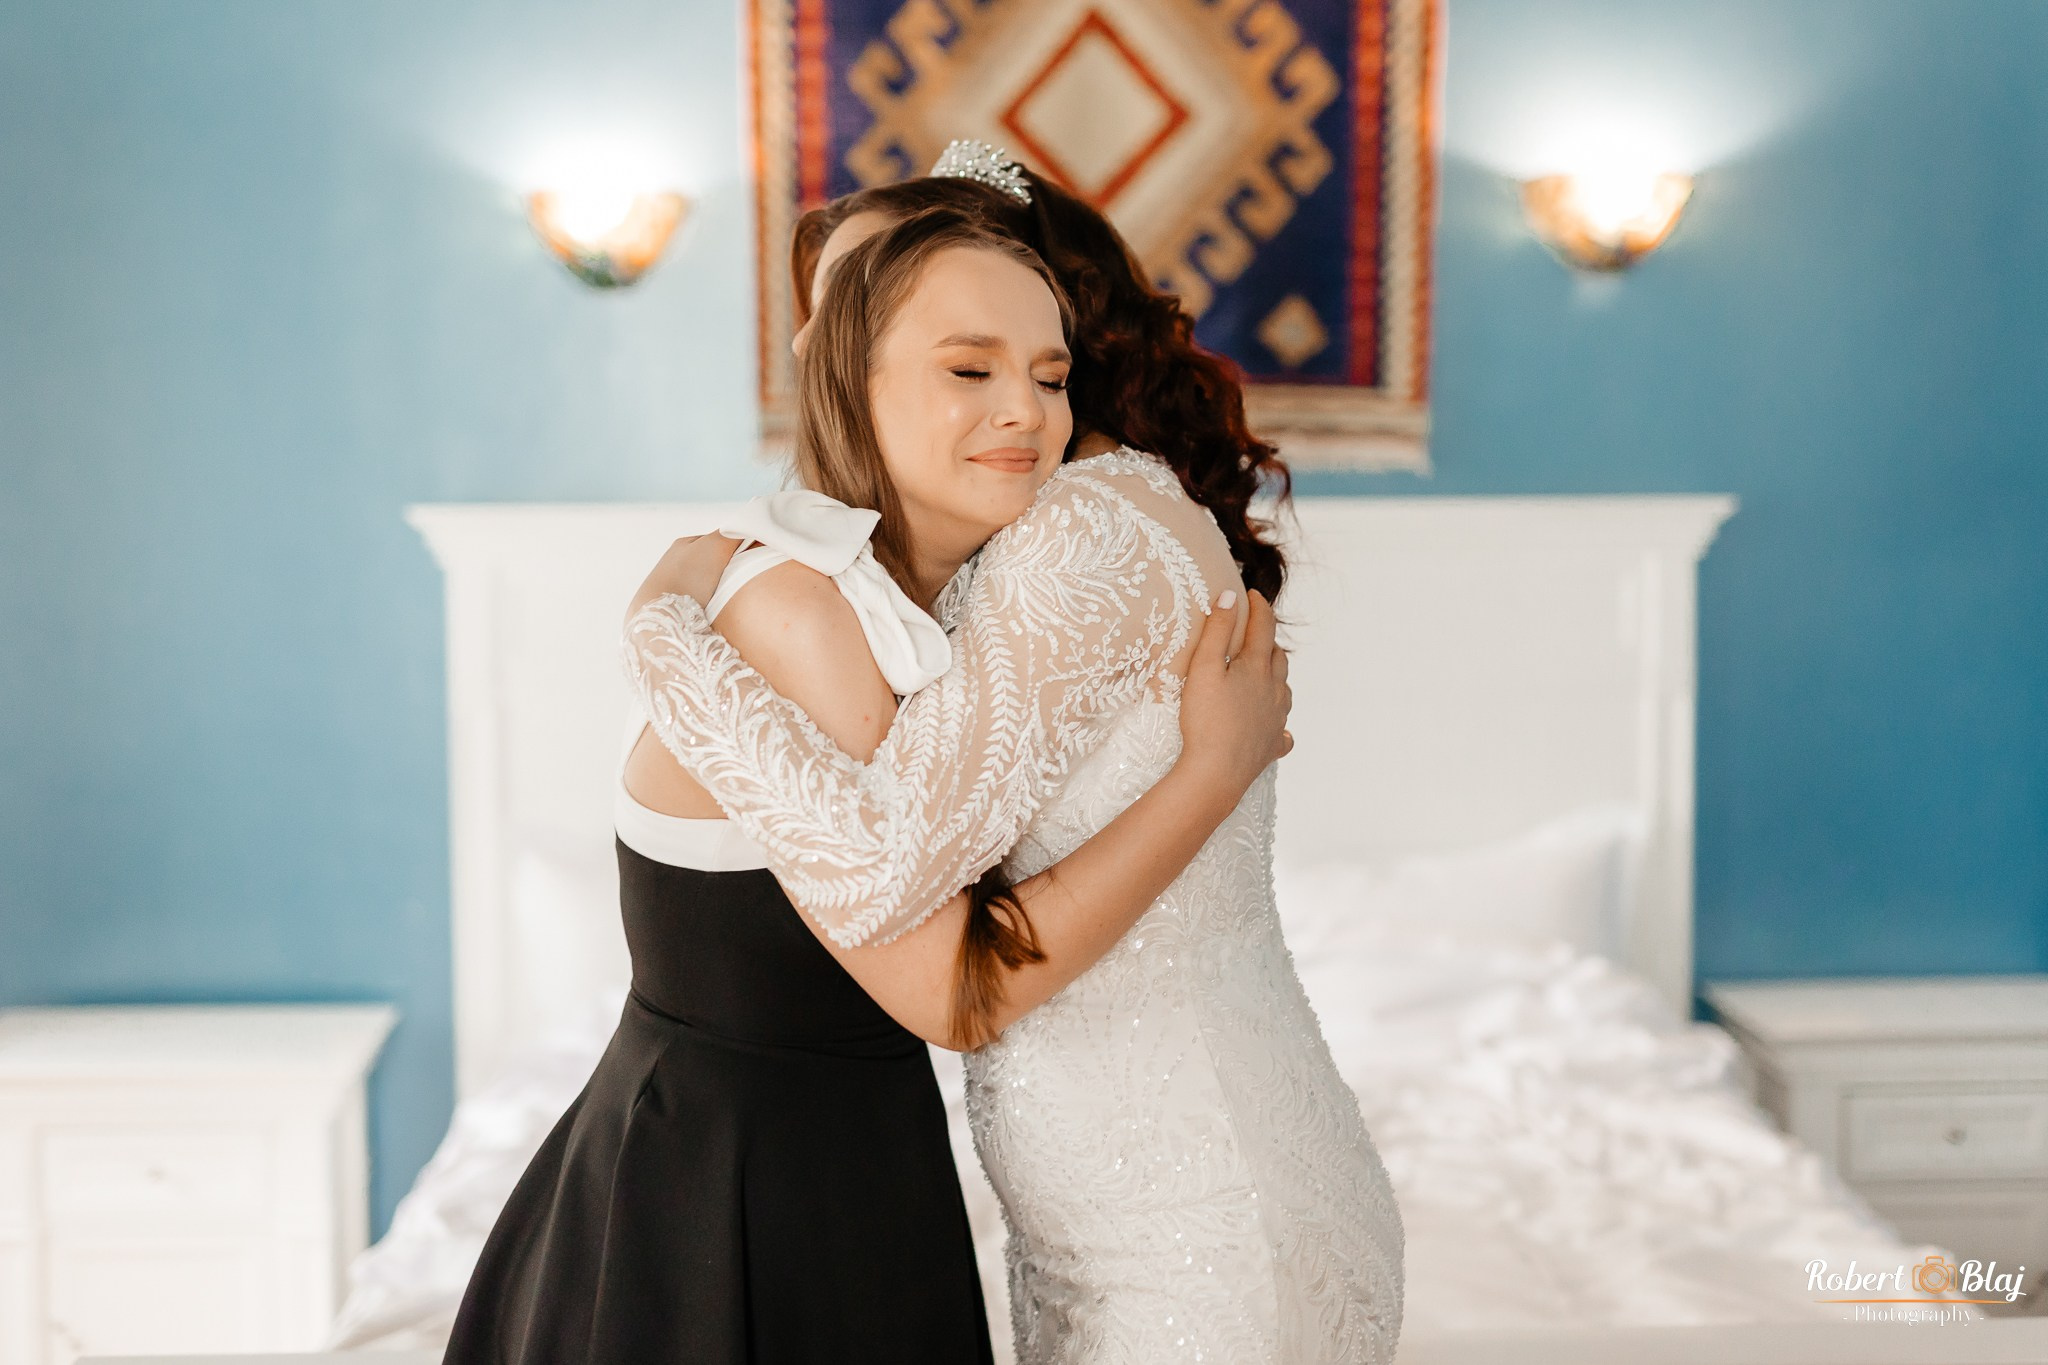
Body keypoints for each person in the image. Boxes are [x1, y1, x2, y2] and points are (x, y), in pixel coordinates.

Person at [443, 209, 1294, 1364]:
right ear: (846, 374)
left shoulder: (941, 612)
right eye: (966, 369)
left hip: (852, 1156)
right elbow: (955, 982)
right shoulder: (806, 616)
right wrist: (1212, 768)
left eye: (1049, 377)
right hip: (729, 1195)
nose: (1027, 414)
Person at [629, 146, 1404, 1364]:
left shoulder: (1070, 541)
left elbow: (893, 897)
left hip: (1188, 1209)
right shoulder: (1065, 518)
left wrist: (666, 626)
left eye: (856, 306)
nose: (810, 351)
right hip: (1148, 1194)